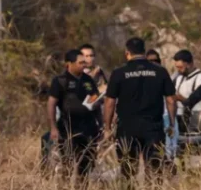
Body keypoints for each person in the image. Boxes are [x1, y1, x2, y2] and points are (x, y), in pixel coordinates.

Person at [104, 37, 176, 180]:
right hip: (153, 127)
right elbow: (170, 100)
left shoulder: (119, 73)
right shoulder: (160, 71)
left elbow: (109, 102)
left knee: (128, 170)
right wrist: (172, 124)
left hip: (127, 127)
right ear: (144, 51)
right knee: (155, 169)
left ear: (127, 53)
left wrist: (107, 127)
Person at [47, 50, 102, 179]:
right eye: (80, 62)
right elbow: (51, 104)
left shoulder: (88, 80)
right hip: (68, 129)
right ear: (69, 64)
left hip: (88, 129)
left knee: (87, 164)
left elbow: (96, 101)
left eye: (85, 62)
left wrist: (100, 124)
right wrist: (53, 128)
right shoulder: (60, 81)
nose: (84, 65)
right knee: (69, 163)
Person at [171, 50, 201, 134]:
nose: (178, 70)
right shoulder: (179, 78)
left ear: (189, 64)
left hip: (192, 119)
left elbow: (199, 102)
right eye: (177, 67)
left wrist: (180, 98)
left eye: (180, 67)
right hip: (178, 116)